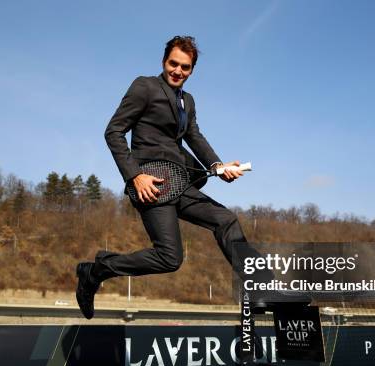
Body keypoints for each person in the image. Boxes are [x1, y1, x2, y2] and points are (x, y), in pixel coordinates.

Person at [75, 36, 250, 319]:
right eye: (173, 64)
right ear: (163, 61)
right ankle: (96, 270)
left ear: (192, 70)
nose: (178, 71)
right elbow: (114, 132)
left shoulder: (188, 101)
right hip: (152, 184)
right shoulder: (145, 86)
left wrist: (218, 166)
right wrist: (135, 176)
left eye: (185, 67)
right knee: (170, 258)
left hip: (180, 182)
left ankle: (262, 285)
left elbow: (194, 137)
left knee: (226, 219)